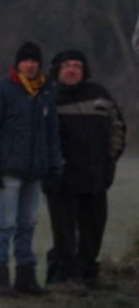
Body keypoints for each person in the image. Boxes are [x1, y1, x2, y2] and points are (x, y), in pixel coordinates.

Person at [0, 41, 61, 297]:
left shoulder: (45, 93)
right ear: (17, 63)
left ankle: (26, 277)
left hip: (35, 173)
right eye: (26, 60)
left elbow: (52, 134)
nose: (30, 64)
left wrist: (54, 168)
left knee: (28, 224)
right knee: (6, 225)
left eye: (34, 60)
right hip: (9, 171)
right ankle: (0, 280)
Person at [44, 49, 126, 293]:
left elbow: (117, 128)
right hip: (62, 179)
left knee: (94, 228)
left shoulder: (100, 95)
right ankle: (66, 276)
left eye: (77, 66)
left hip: (96, 177)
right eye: (67, 65)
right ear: (57, 69)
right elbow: (39, 134)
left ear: (85, 70)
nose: (72, 70)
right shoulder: (48, 96)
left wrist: (110, 159)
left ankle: (89, 273)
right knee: (65, 232)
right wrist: (53, 161)